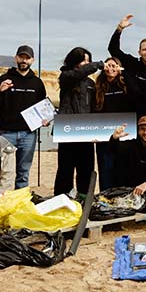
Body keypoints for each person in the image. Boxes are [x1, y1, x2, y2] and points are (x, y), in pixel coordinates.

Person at [0, 45, 47, 189]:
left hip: (29, 135)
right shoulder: (4, 79)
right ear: (16, 58)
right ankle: (1, 199)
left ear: (32, 60)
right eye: (21, 57)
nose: (24, 60)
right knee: (2, 171)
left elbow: (43, 108)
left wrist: (45, 120)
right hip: (5, 133)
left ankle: (19, 200)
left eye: (27, 58)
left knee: (23, 173)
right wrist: (0, 91)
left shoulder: (37, 83)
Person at [55, 47, 104, 197]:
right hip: (67, 132)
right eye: (83, 60)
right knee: (65, 171)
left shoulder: (90, 83)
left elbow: (94, 108)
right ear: (74, 61)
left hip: (85, 132)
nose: (86, 64)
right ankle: (62, 200)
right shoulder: (66, 77)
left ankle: (84, 201)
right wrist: (97, 65)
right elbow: (77, 74)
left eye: (88, 61)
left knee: (86, 171)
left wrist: (97, 130)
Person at [108, 14, 146, 123]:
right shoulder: (132, 63)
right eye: (144, 49)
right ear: (139, 52)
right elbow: (113, 49)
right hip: (132, 117)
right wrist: (119, 29)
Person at [94, 57, 134, 190]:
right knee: (105, 169)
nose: (111, 69)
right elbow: (94, 110)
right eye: (108, 66)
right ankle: (105, 196)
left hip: (124, 134)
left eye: (114, 66)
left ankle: (121, 196)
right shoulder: (98, 86)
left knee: (122, 168)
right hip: (104, 135)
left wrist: (124, 74)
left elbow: (136, 97)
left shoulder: (125, 84)